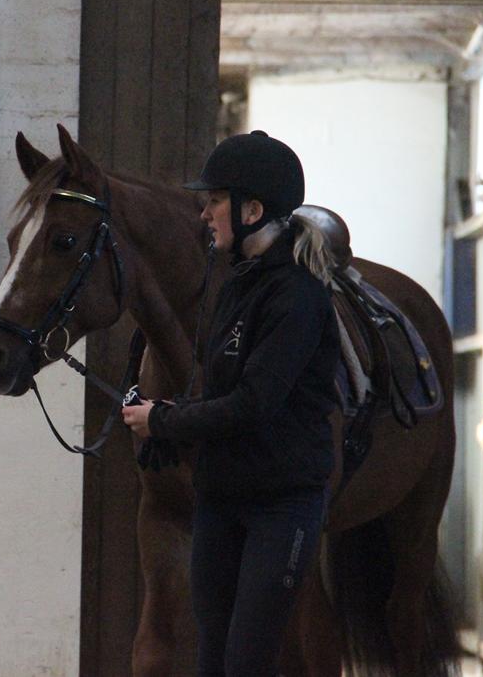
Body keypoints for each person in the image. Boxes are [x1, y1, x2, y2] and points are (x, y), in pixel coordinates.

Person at [122, 130, 340, 676]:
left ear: (252, 210)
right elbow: (216, 390)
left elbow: (253, 404)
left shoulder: (298, 296)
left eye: (215, 201)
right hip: (221, 500)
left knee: (247, 662)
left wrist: (165, 422)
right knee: (213, 662)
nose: (204, 215)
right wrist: (168, 429)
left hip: (281, 507)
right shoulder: (236, 285)